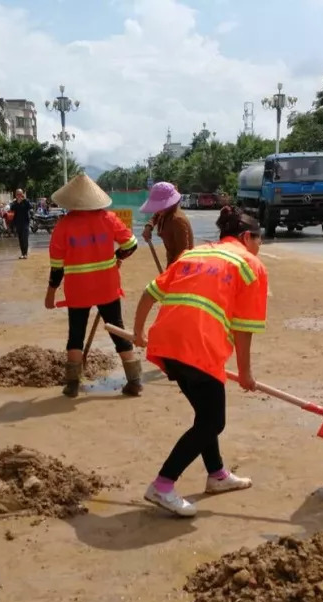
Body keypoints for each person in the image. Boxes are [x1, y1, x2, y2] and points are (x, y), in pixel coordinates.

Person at [131, 206, 269, 517]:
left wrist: (139, 331)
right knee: (213, 422)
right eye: (260, 240)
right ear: (247, 237)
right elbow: (244, 328)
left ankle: (217, 474)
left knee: (205, 416)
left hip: (167, 344)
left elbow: (149, 292)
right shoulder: (250, 265)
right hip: (198, 347)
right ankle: (163, 484)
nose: (260, 247)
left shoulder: (193, 255)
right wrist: (246, 373)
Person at [43, 173, 143, 397]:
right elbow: (132, 244)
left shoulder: (63, 226)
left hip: (78, 290)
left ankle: (72, 385)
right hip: (107, 286)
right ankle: (135, 381)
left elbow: (57, 268)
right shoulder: (108, 218)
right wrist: (118, 257)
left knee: (75, 334)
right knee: (117, 330)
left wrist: (50, 295)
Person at [141, 181, 194, 266]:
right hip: (172, 263)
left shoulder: (177, 221)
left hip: (180, 267)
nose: (157, 209)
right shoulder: (164, 212)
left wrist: (171, 274)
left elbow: (183, 254)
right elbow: (156, 216)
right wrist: (148, 227)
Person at [11, 188, 33, 259]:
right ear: (16, 195)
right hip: (18, 223)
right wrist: (17, 202)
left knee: (25, 238)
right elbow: (12, 208)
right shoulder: (15, 202)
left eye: (20, 194)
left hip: (25, 223)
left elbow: (30, 207)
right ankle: (22, 254)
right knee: (20, 239)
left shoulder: (26, 201)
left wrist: (24, 200)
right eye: (17, 194)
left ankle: (25, 253)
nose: (19, 195)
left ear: (22, 194)